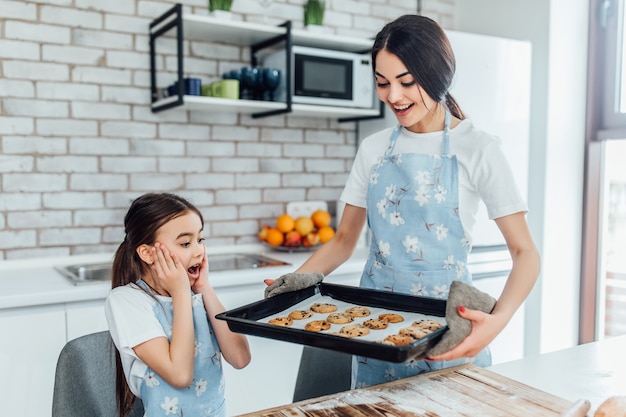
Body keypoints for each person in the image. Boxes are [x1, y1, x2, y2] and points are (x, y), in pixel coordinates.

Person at [266, 14, 540, 389]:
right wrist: (300, 280)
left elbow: (526, 253)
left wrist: (497, 321)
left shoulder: (480, 148)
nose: (393, 96)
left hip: (451, 330)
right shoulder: (373, 148)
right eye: (382, 83)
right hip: (377, 332)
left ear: (438, 75)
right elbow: (345, 240)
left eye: (406, 82)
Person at [105, 193, 251, 417]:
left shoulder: (198, 294)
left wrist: (204, 288)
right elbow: (180, 376)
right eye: (185, 243)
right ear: (147, 253)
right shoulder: (127, 301)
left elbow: (240, 358)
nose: (198, 251)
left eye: (200, 239)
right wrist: (181, 292)